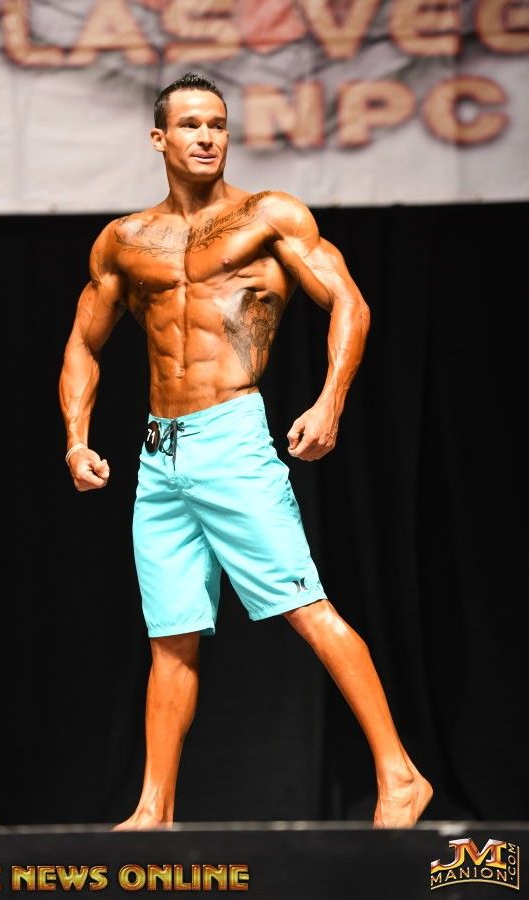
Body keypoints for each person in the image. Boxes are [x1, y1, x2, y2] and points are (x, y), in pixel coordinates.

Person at [58, 72, 433, 831]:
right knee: (170, 638)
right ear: (160, 138)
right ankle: (153, 809)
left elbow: (348, 302)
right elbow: (83, 343)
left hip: (231, 438)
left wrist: (330, 400)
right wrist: (75, 440)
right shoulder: (125, 240)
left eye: (218, 124)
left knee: (305, 606)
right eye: (191, 125)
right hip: (159, 456)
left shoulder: (268, 216)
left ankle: (401, 777)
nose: (207, 137)